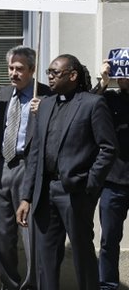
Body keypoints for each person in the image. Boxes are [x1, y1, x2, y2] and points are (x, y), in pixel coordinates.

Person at [16, 54, 117, 290]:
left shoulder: (92, 104)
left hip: (75, 191)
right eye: (48, 72)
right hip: (45, 192)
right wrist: (26, 196)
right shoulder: (45, 105)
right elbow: (35, 154)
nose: (50, 77)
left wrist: (90, 185)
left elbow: (108, 148)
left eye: (55, 72)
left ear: (73, 75)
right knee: (46, 259)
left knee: (82, 255)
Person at [0, 46, 52, 290]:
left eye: (19, 69)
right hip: (0, 168)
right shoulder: (3, 93)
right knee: (0, 234)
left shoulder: (46, 94)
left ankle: (32, 285)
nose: (13, 73)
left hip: (28, 167)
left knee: (30, 235)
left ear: (32, 70)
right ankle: (9, 284)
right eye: (10, 68)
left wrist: (43, 111)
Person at [91, 60, 129, 290]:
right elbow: (85, 106)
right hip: (114, 181)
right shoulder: (109, 98)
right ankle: (108, 285)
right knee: (109, 240)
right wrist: (103, 82)